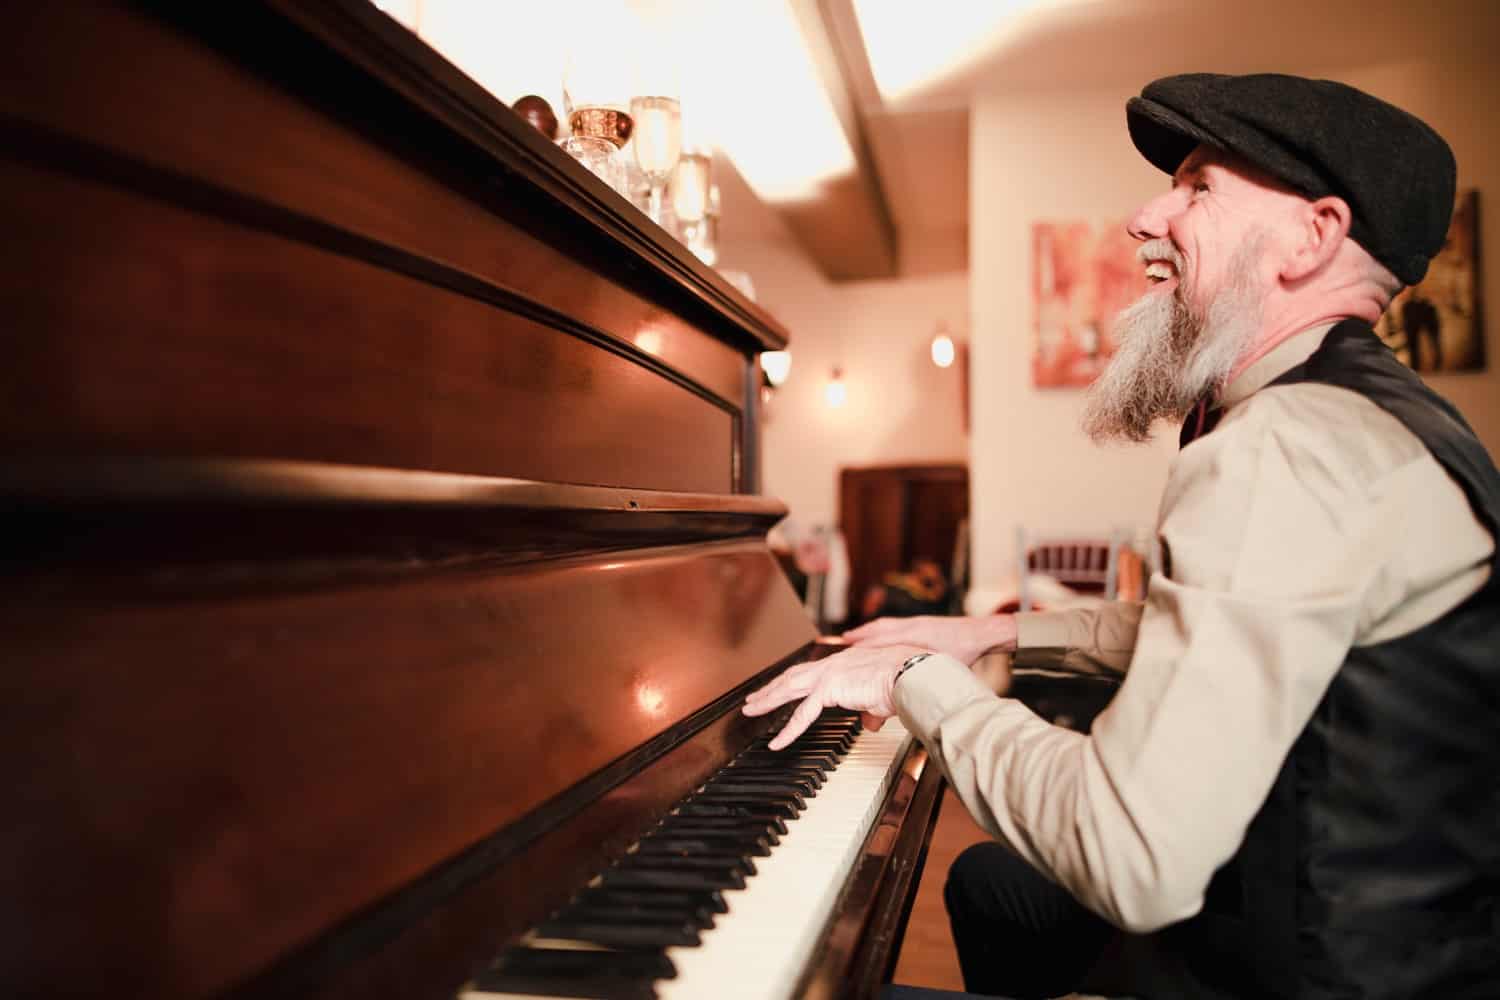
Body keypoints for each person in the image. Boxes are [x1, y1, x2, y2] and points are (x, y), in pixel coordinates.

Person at [745, 73, 1499, 1000]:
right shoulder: (1372, 416)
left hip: (1316, 968)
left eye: (1198, 186)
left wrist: (910, 681)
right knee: (993, 886)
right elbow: (1237, 632)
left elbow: (1132, 852)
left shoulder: (1286, 448)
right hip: (1375, 926)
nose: (1147, 216)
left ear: (1314, 237)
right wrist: (987, 633)